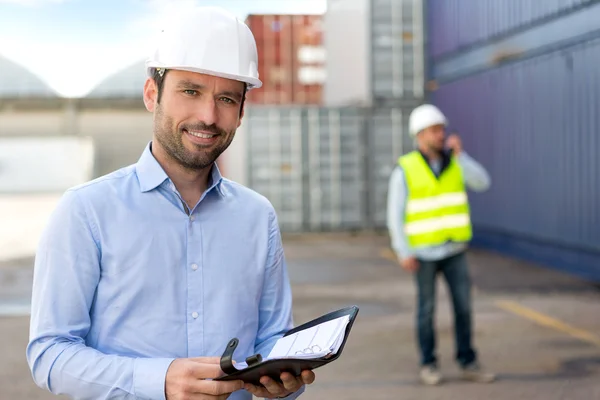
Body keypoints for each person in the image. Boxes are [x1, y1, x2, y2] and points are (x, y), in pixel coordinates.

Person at [26, 6, 315, 400]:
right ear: (152, 94)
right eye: (191, 91)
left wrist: (283, 385)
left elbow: (273, 339)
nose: (208, 116)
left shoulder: (257, 216)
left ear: (242, 112)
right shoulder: (86, 211)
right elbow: (49, 355)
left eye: (227, 99)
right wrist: (159, 380)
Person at [386, 104, 496, 386]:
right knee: (426, 311)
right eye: (435, 130)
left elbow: (482, 182)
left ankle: (468, 362)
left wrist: (462, 155)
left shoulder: (456, 162)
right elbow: (394, 214)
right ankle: (428, 364)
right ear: (420, 135)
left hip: (454, 251)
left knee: (464, 308)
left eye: (442, 130)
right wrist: (403, 250)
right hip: (422, 254)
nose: (441, 135)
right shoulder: (406, 169)